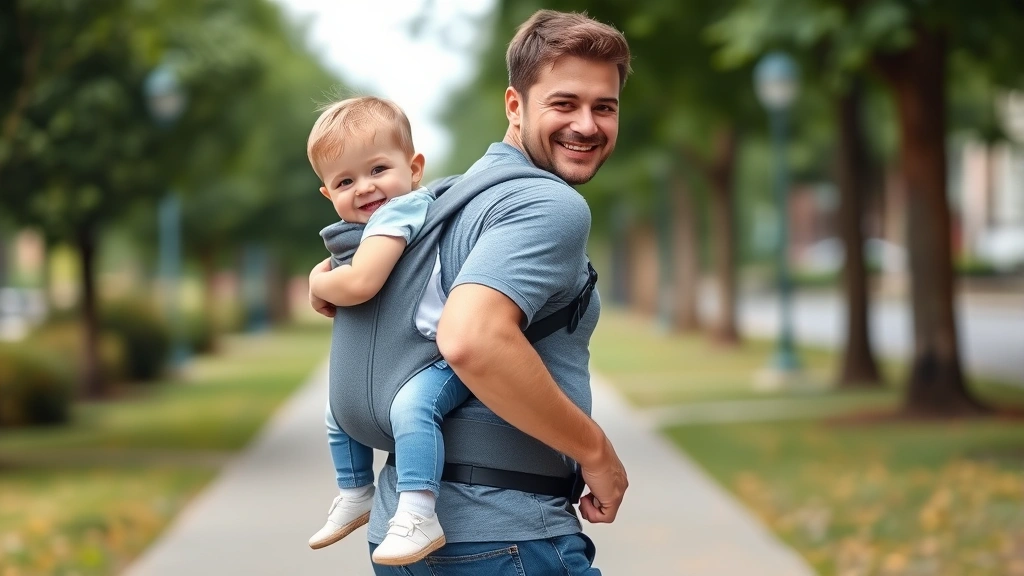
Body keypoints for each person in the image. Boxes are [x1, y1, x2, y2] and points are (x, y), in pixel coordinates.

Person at [362, 9, 633, 575]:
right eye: (564, 103)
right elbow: (471, 338)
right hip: (506, 537)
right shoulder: (550, 205)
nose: (586, 125)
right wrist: (595, 452)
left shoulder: (445, 199)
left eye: (603, 107)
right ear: (515, 105)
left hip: (406, 538)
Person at [304, 96, 469, 565]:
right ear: (327, 194)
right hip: (403, 351)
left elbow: (360, 282)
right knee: (342, 405)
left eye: (378, 169)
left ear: (414, 167)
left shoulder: (400, 212)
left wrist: (317, 283)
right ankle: (356, 491)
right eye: (345, 181)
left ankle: (418, 511)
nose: (365, 188)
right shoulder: (362, 229)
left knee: (413, 409)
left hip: (437, 353)